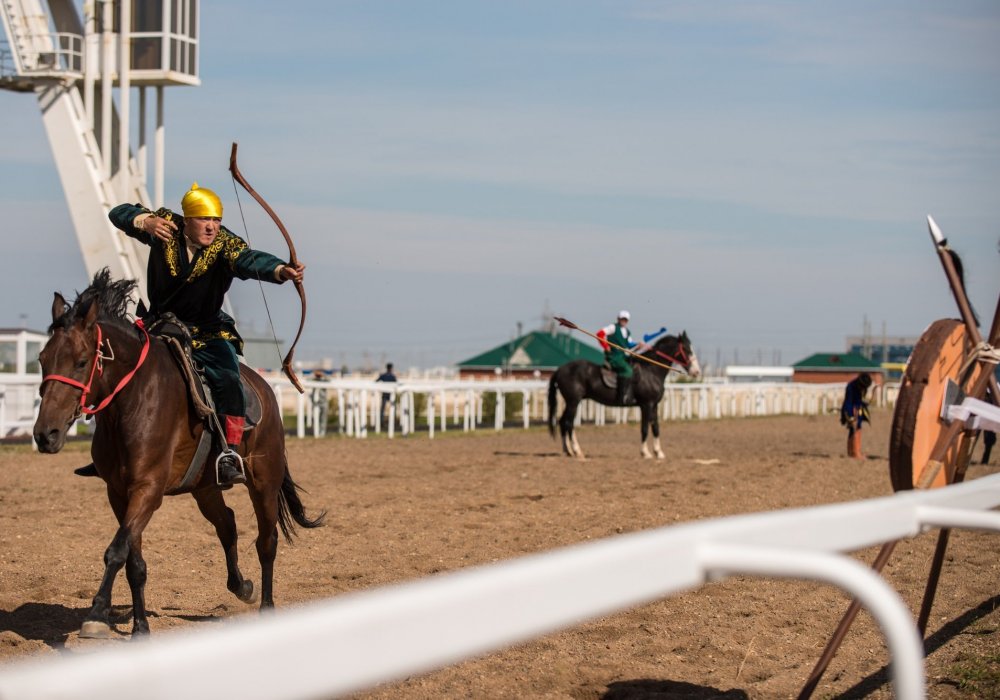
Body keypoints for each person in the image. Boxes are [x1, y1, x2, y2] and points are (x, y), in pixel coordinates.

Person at [108, 183, 305, 487]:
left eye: (216, 220)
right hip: (158, 326)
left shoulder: (225, 245)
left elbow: (250, 260)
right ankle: (109, 451)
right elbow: (117, 212)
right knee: (117, 367)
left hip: (207, 332)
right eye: (204, 219)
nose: (212, 227)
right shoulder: (164, 226)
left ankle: (230, 452)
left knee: (228, 377)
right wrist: (144, 221)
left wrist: (280, 270)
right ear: (186, 220)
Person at [596, 311, 643, 406]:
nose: (624, 321)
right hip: (614, 357)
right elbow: (600, 334)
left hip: (624, 356)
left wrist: (638, 345)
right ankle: (621, 397)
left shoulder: (627, 331)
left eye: (625, 319)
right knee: (627, 370)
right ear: (618, 319)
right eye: (622, 319)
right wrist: (606, 346)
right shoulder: (613, 327)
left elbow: (629, 344)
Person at [840, 372, 873, 459]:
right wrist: (851, 416)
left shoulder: (857, 386)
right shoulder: (852, 387)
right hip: (851, 410)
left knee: (854, 430)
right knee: (855, 430)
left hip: (857, 410)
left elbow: (858, 401)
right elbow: (849, 402)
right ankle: (855, 453)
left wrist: (863, 404)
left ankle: (852, 452)